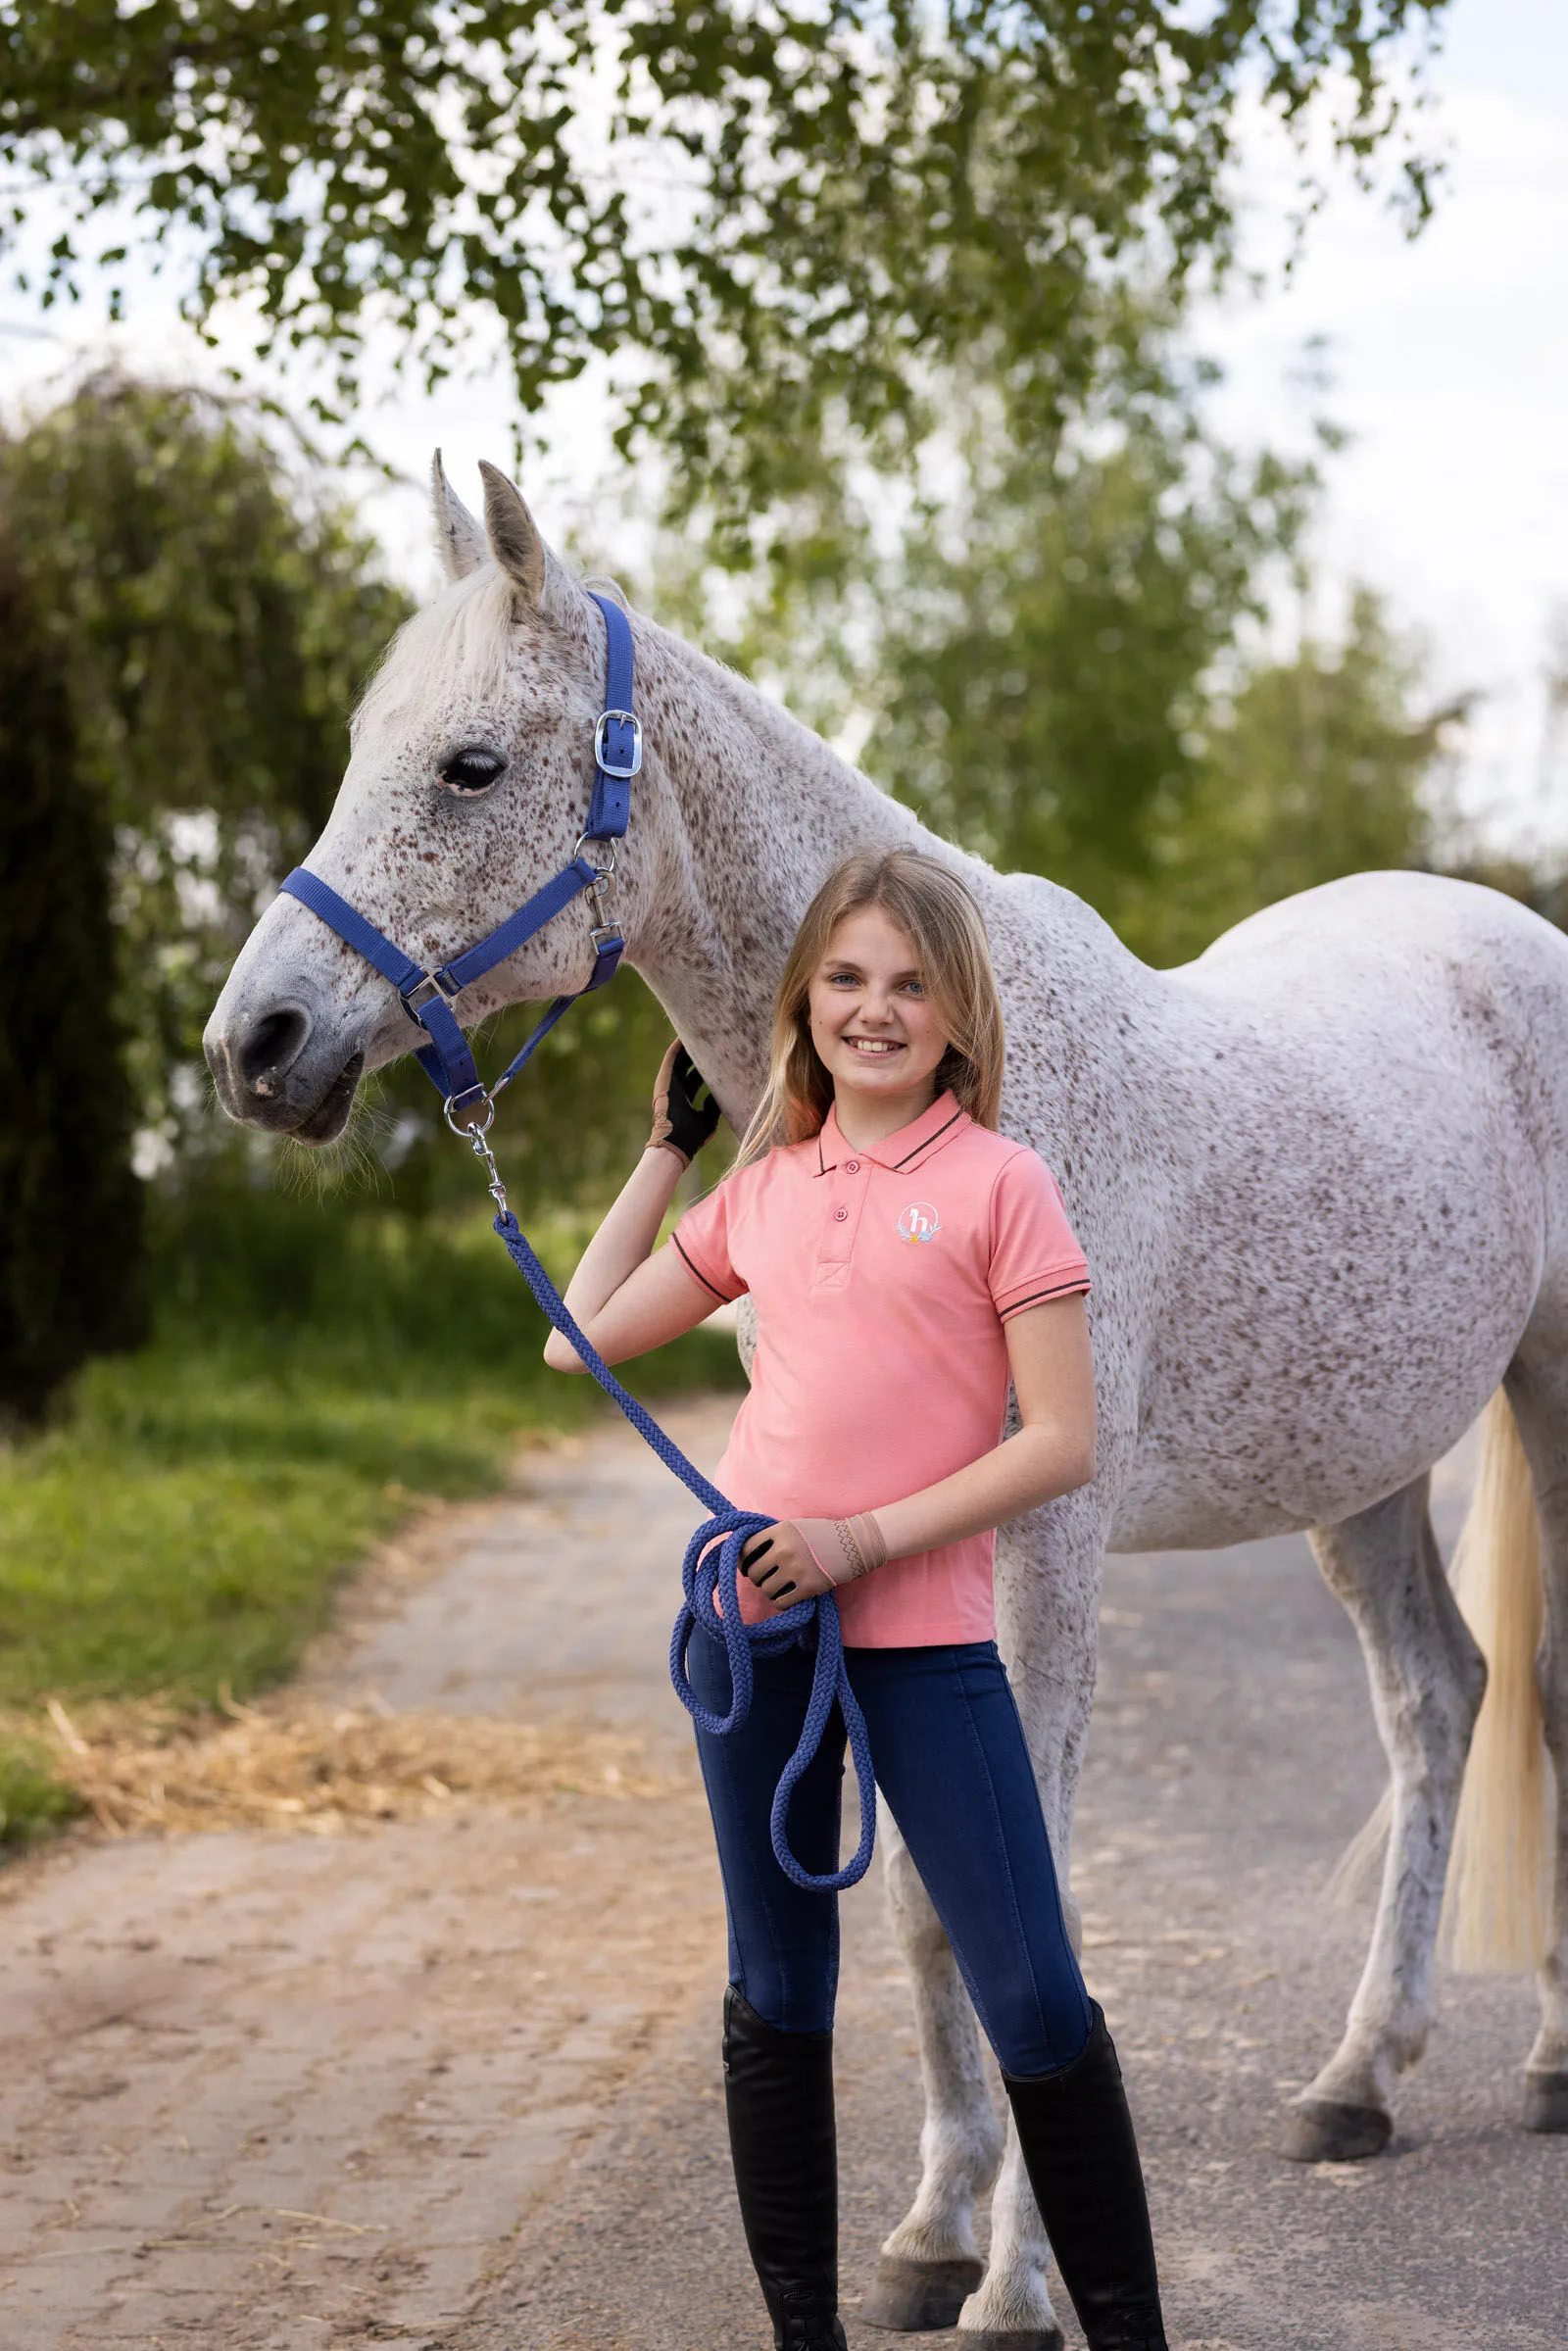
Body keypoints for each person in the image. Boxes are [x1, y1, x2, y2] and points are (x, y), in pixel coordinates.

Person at [543, 846, 1169, 2351]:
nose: (874, 1010)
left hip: (924, 1649)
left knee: (1035, 2002)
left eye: (908, 984)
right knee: (779, 1989)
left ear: (958, 1013)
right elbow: (583, 1343)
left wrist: (861, 1538)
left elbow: (1066, 1442)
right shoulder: (764, 1191)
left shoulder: (1002, 1185)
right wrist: (666, 1154)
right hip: (749, 1633)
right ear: (803, 1001)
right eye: (845, 979)